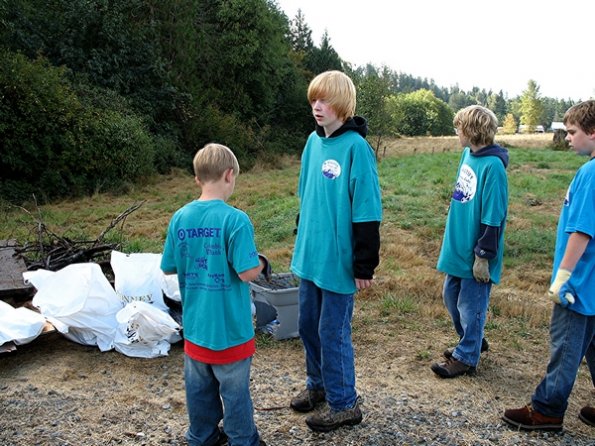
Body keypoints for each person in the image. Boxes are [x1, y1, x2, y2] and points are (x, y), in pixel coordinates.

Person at [289, 70, 382, 432]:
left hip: (340, 262)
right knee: (308, 325)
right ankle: (319, 386)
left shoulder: (357, 149)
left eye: (324, 100)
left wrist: (364, 265)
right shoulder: (312, 143)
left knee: (333, 332)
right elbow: (307, 195)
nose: (317, 106)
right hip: (311, 256)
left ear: (342, 104)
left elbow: (367, 212)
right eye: (313, 99)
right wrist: (302, 233)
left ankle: (345, 403)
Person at [161, 143, 269, 446]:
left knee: (199, 390)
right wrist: (262, 261)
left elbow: (169, 266)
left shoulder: (180, 218)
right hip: (231, 331)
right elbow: (247, 272)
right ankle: (243, 439)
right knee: (234, 394)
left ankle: (202, 436)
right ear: (229, 175)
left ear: (198, 179)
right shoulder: (236, 220)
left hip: (195, 329)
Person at [503, 100, 595, 431]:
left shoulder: (591, 173)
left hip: (579, 285)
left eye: (572, 132)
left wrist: (563, 279)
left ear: (593, 132)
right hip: (592, 284)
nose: (568, 138)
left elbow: (582, 231)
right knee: (593, 346)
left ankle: (547, 410)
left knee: (566, 346)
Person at [431, 105, 509, 378]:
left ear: (472, 131)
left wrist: (483, 256)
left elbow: (493, 216)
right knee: (451, 298)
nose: (456, 132)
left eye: (459, 128)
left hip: (476, 253)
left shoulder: (494, 167)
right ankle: (473, 341)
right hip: (457, 247)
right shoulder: (468, 154)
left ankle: (466, 357)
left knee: (470, 305)